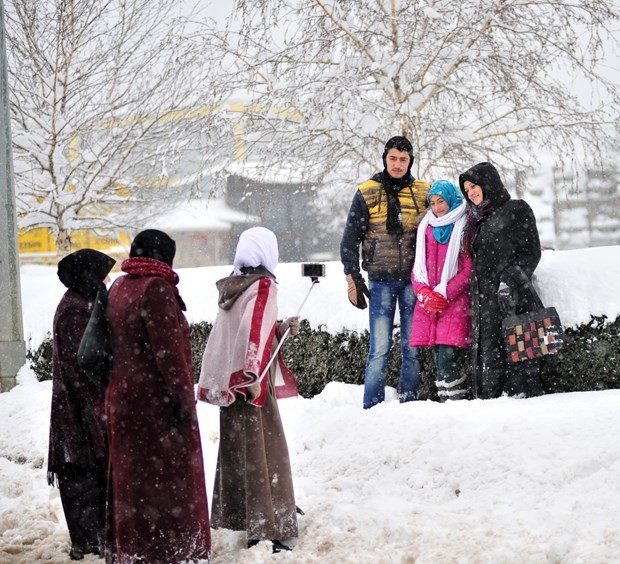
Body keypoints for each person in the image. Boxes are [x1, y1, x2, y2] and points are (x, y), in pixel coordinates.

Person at [105, 229, 210, 563]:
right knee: (169, 486)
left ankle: (131, 548)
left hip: (122, 401)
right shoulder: (156, 290)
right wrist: (183, 404)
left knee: (132, 485)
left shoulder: (120, 286)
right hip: (156, 408)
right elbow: (170, 358)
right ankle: (171, 552)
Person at [198, 227, 299, 554]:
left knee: (241, 454)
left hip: (231, 383)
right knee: (264, 454)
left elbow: (238, 332)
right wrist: (252, 374)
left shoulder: (234, 285)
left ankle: (248, 515)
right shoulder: (264, 286)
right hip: (251, 382)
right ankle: (266, 528)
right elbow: (254, 333)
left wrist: (281, 329)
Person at [340, 135, 431, 408]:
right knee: (379, 349)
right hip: (380, 280)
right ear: (385, 159)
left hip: (414, 282)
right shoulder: (367, 191)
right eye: (393, 158)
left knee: (412, 349)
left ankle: (409, 403)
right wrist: (351, 276)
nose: (398, 164)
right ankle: (372, 407)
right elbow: (349, 238)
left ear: (410, 161)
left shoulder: (424, 192)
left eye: (403, 159)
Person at [47, 249, 116, 561]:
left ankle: (94, 539)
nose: (107, 280)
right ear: (88, 275)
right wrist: (98, 406)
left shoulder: (82, 302)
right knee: (82, 474)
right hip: (78, 410)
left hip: (83, 407)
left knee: (90, 473)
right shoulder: (76, 309)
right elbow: (83, 366)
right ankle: (87, 543)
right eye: (103, 274)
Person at [459, 162, 543, 399]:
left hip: (514, 303)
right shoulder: (477, 220)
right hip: (486, 307)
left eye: (474, 186)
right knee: (491, 370)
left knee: (521, 371)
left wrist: (509, 280)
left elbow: (531, 253)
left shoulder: (516, 209)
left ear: (489, 183)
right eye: (467, 190)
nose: (471, 193)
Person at [410, 180, 472, 401]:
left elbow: (468, 269)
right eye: (433, 203)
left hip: (454, 302)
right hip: (430, 304)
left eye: (441, 201)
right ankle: (447, 404)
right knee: (438, 358)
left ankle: (457, 402)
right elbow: (418, 267)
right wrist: (424, 293)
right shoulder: (425, 227)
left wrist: (445, 292)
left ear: (452, 199)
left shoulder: (465, 225)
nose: (437, 207)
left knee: (447, 356)